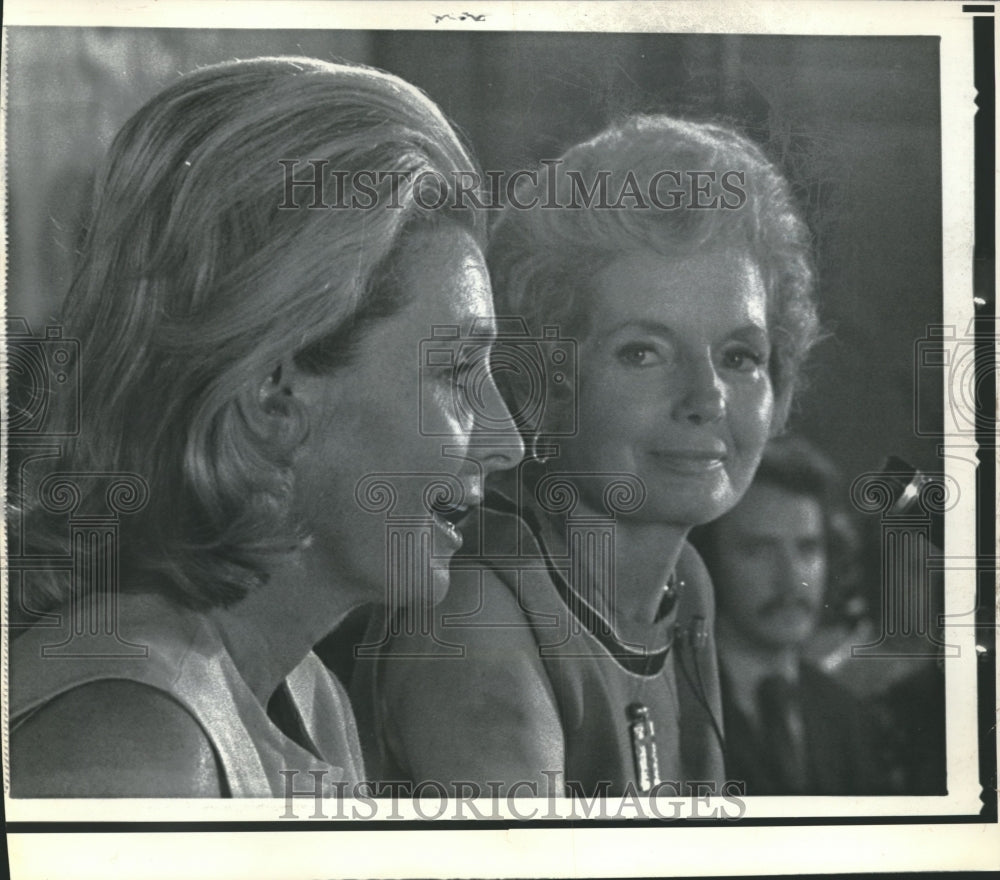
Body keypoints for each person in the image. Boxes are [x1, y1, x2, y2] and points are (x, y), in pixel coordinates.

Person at [8, 56, 523, 797]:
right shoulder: (134, 744)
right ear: (273, 394)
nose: (507, 440)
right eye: (453, 372)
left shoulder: (310, 697)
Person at [352, 114, 821, 797]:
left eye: (740, 356)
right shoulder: (476, 611)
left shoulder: (684, 583)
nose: (706, 397)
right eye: (643, 352)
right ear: (548, 380)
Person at [689, 436, 884, 795]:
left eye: (807, 549)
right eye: (758, 550)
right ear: (710, 559)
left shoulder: (845, 714)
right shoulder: (679, 704)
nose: (791, 579)